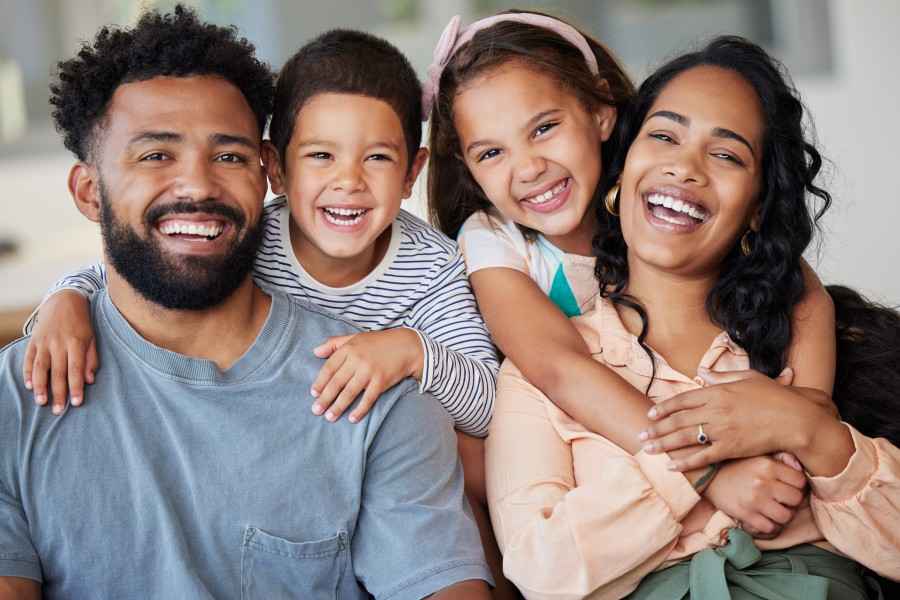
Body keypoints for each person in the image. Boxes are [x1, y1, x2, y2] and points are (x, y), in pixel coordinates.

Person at [0, 6, 492, 599]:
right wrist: (66, 294)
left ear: (261, 175)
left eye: (228, 156)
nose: (198, 185)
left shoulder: (378, 394)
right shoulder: (17, 400)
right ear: (88, 191)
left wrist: (414, 353)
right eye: (156, 155)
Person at [485, 36, 899, 599]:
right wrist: (695, 469)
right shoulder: (541, 375)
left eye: (726, 155)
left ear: (756, 207)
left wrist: (805, 426)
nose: (685, 167)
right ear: (622, 170)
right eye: (663, 136)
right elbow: (540, 571)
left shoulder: (805, 339)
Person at [22, 30, 498, 438]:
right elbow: (139, 267)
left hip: (365, 440)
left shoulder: (434, 269)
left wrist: (410, 351)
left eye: (377, 158)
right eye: (321, 156)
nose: (349, 181)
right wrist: (66, 300)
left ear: (412, 173)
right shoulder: (251, 237)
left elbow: (488, 405)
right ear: (275, 169)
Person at [424, 11, 835, 465]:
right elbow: (558, 367)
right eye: (492, 153)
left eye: (544, 129)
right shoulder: (492, 239)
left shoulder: (651, 200)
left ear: (601, 112)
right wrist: (704, 469)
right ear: (468, 168)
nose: (528, 168)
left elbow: (798, 285)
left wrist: (802, 416)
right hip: (574, 448)